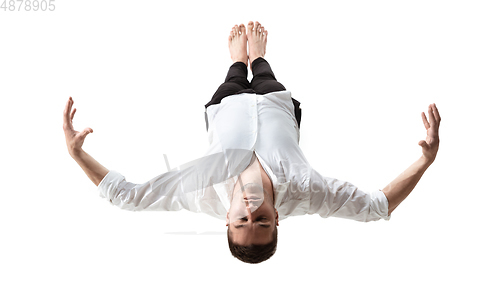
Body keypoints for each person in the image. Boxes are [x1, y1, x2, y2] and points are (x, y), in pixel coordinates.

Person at [63, 21, 441, 264]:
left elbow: (126, 197)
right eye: (261, 220)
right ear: (277, 219)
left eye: (242, 220)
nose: (251, 212)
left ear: (227, 220)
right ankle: (257, 59)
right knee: (265, 77)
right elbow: (377, 207)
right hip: (278, 104)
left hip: (224, 105)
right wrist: (425, 162)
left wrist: (77, 154)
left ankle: (235, 62)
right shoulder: (309, 194)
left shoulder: (197, 192)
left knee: (231, 81)